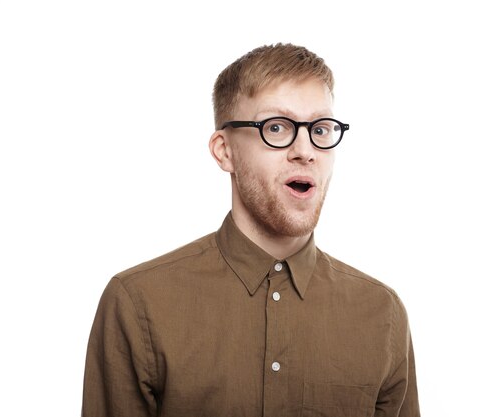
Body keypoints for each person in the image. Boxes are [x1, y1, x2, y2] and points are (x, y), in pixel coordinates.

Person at [82, 43, 420, 417]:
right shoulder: (137, 303)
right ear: (224, 151)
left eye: (321, 129)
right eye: (276, 127)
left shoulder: (381, 313)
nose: (305, 150)